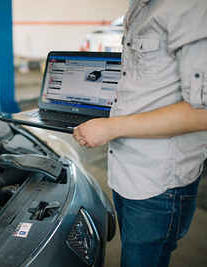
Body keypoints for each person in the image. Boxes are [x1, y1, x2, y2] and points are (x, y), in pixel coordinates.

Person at [72, 0, 207, 266]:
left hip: (159, 183)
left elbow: (201, 112)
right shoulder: (139, 7)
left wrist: (110, 127)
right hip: (126, 169)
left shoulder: (191, 6)